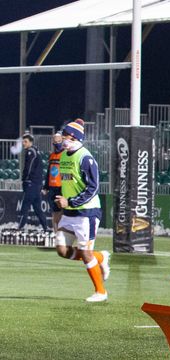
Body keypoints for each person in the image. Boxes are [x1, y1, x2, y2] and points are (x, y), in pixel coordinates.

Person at [53, 119, 111, 303]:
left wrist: (69, 201)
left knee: (86, 253)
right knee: (62, 250)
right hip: (70, 212)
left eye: (66, 135)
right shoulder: (63, 156)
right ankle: (100, 257)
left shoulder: (85, 158)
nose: (63, 139)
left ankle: (101, 291)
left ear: (75, 138)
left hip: (87, 212)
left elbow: (93, 188)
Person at [18, 134, 48, 231]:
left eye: (25, 141)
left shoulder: (31, 151)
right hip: (37, 184)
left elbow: (29, 167)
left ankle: (20, 227)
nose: (23, 143)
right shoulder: (36, 151)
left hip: (32, 183)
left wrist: (25, 179)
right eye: (23, 141)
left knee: (25, 205)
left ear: (31, 142)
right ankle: (46, 228)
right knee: (37, 208)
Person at [44, 133, 65, 230]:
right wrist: (46, 187)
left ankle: (61, 233)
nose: (57, 144)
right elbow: (48, 172)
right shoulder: (52, 156)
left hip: (61, 187)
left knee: (61, 212)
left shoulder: (65, 155)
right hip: (52, 187)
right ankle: (55, 233)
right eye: (55, 142)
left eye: (59, 142)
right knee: (54, 212)